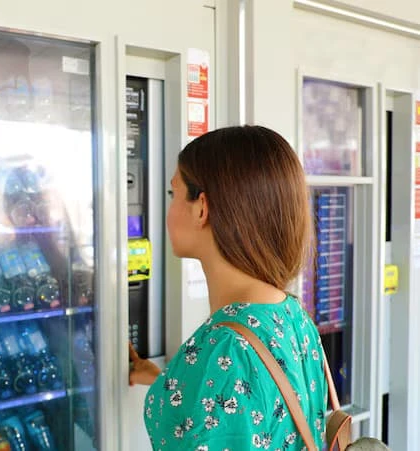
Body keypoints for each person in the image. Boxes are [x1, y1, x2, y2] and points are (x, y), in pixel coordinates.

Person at [129, 125, 327, 450]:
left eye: (172, 193)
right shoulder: (293, 315)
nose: (169, 208)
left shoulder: (228, 350)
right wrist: (163, 380)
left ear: (201, 208)